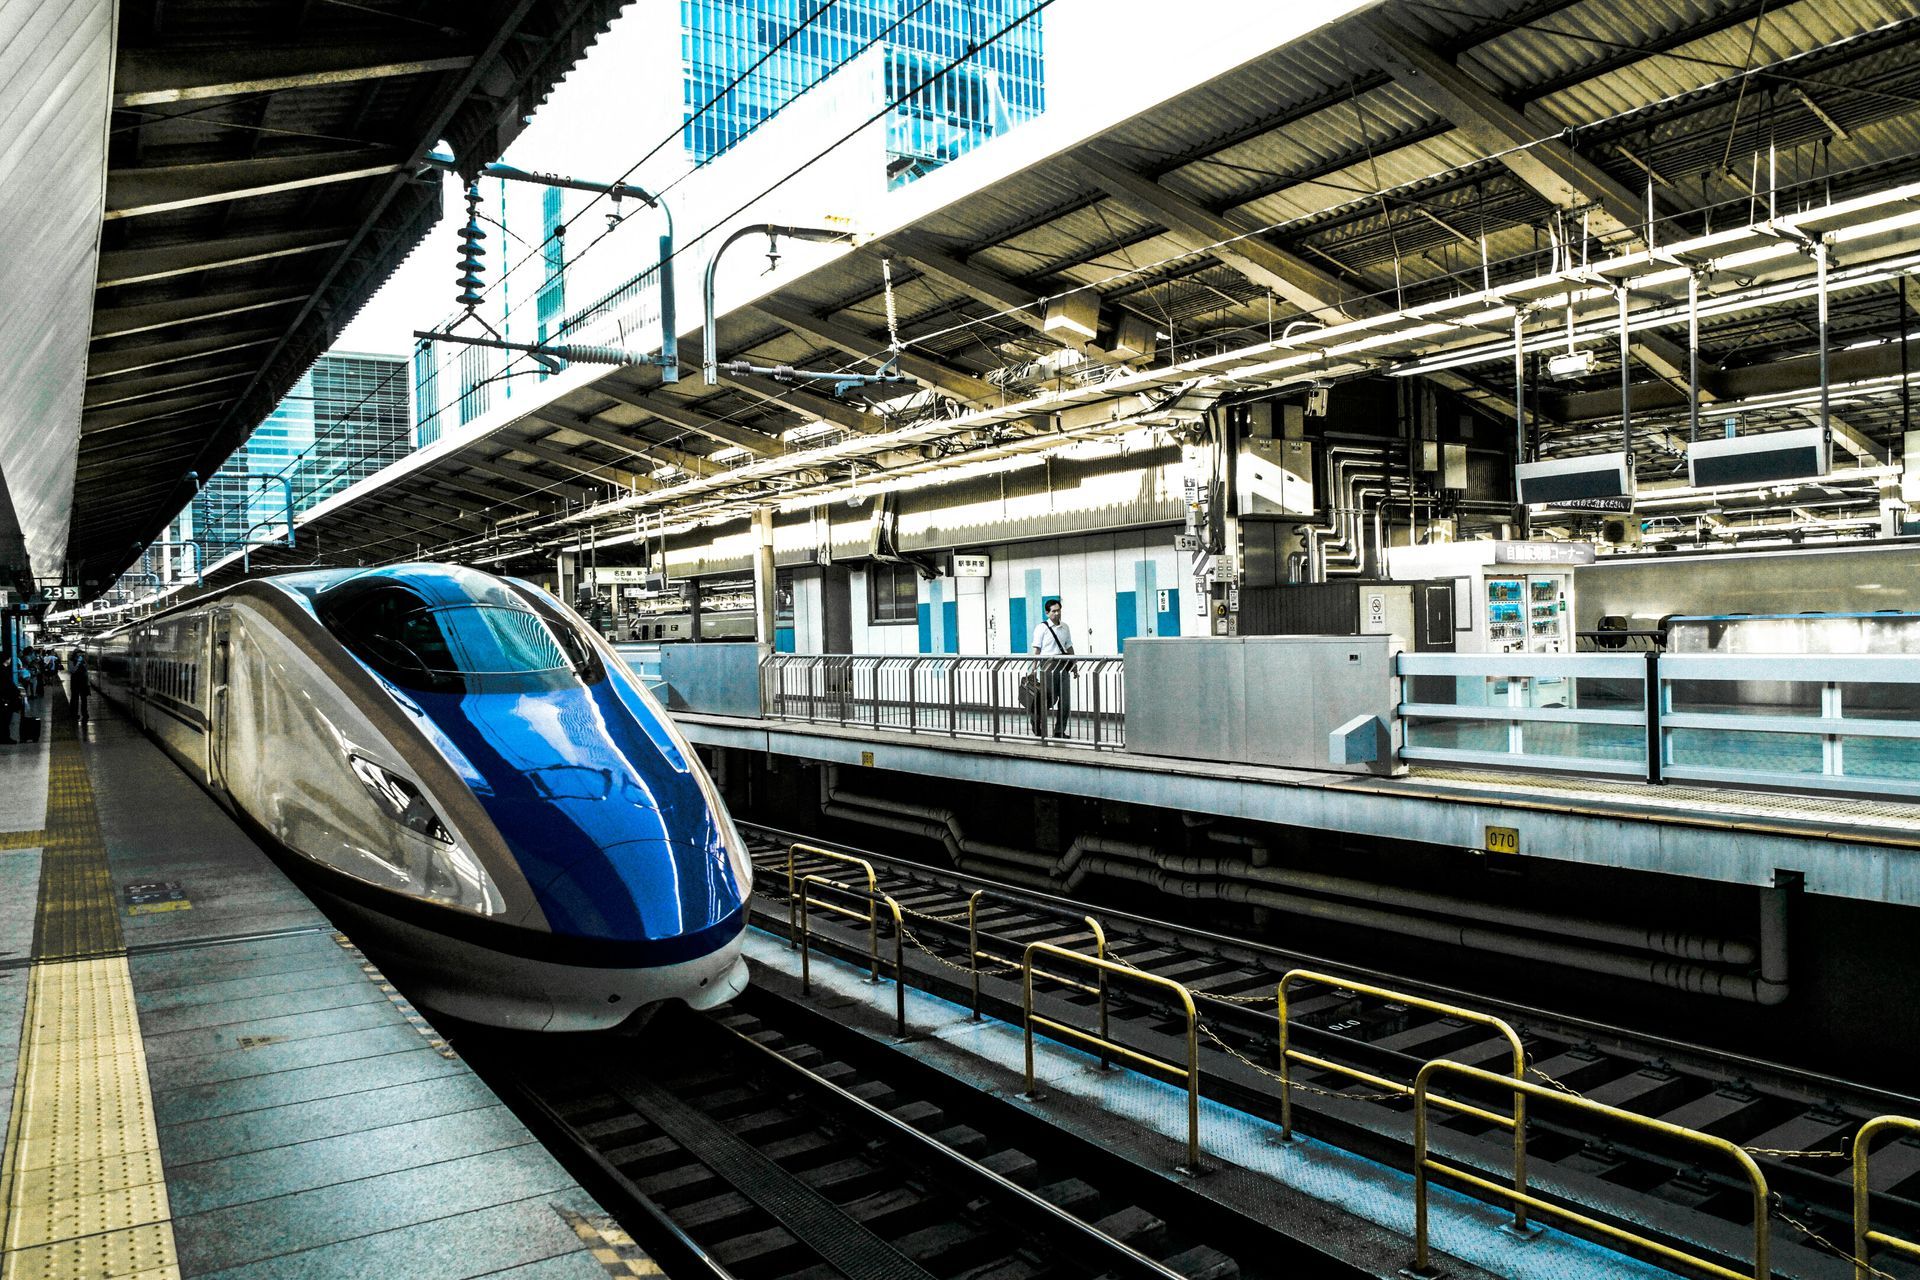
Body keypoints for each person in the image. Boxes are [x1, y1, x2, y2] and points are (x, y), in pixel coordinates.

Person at [1029, 597, 1074, 739]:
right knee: (1048, 699)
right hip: (1047, 665)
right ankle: (1036, 722)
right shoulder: (1041, 628)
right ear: (1047, 613)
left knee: (1065, 700)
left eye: (1059, 610)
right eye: (1054, 611)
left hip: (1063, 664)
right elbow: (1036, 649)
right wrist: (1033, 668)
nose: (1057, 614)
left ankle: (1059, 730)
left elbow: (1069, 646)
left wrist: (1074, 665)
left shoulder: (1065, 627)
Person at [68, 651, 90, 729]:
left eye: (81, 655)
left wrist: (88, 683)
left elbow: (86, 671)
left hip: (83, 682)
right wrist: (77, 663)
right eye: (78, 655)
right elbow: (72, 670)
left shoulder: (83, 661)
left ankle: (85, 713)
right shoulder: (71, 661)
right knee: (75, 698)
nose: (80, 656)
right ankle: (74, 714)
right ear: (75, 655)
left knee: (84, 699)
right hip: (75, 682)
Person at [0, 664, 21, 745]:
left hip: (3, 698)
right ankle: (5, 738)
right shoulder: (3, 670)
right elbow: (9, 685)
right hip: (5, 699)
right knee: (5, 719)